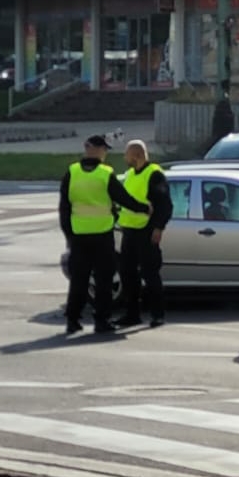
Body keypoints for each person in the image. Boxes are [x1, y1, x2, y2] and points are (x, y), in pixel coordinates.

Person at [59, 134, 150, 335]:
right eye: (103, 149)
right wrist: (144, 208)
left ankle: (72, 321)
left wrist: (69, 235)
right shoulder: (105, 173)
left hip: (79, 235)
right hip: (101, 235)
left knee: (79, 280)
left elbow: (64, 208)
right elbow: (123, 198)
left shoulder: (72, 173)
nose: (105, 153)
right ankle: (101, 321)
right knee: (103, 281)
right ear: (94, 149)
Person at [115, 139, 172, 329]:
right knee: (127, 274)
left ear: (136, 155)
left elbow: (164, 205)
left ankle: (158, 315)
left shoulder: (154, 174)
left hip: (147, 231)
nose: (125, 158)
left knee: (150, 273)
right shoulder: (131, 174)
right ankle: (132, 315)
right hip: (130, 231)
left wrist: (158, 227)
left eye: (127, 155)